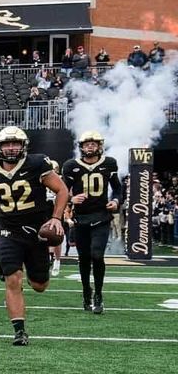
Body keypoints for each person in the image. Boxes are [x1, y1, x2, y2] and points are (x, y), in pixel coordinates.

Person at [0, 127, 69, 345]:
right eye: (6, 144)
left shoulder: (37, 163)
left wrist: (56, 218)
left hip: (37, 232)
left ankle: (37, 268)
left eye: (15, 143)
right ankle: (19, 331)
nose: (11, 148)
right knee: (13, 280)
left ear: (23, 145)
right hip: (9, 231)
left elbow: (62, 190)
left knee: (39, 285)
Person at [61, 131, 121, 313]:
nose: (90, 146)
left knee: (97, 255)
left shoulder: (109, 163)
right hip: (81, 218)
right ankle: (87, 290)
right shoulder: (71, 166)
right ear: (81, 146)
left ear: (99, 146)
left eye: (93, 144)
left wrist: (116, 201)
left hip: (101, 216)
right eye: (87, 144)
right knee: (84, 259)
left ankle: (98, 294)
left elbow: (118, 188)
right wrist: (72, 199)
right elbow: (62, 190)